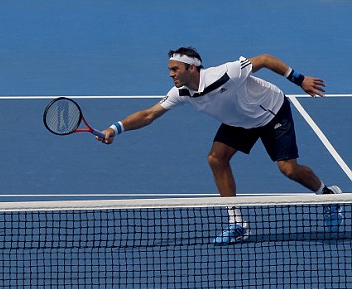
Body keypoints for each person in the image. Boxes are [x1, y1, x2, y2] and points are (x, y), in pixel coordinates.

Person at [101, 47, 342, 244]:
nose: (170, 74)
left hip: (270, 112)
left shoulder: (227, 73)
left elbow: (265, 60)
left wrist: (299, 79)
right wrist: (115, 128)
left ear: (191, 67)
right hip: (238, 121)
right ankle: (237, 224)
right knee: (216, 159)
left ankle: (328, 195)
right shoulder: (181, 93)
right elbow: (148, 114)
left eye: (174, 69)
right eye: (170, 70)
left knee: (288, 169)